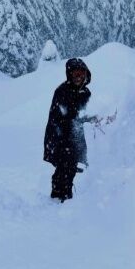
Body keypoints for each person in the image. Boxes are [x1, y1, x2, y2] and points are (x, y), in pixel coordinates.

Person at [44, 58, 96, 202]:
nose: (78, 77)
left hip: (76, 137)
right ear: (69, 75)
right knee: (62, 167)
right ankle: (56, 197)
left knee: (72, 167)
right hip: (60, 137)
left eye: (81, 73)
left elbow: (87, 113)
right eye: (75, 74)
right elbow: (59, 117)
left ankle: (67, 197)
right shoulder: (62, 91)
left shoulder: (86, 93)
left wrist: (96, 119)